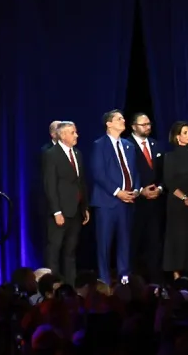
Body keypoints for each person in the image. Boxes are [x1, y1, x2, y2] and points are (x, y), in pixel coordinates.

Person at [88, 110, 139, 283]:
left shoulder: (129, 145)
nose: (123, 120)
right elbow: (98, 173)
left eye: (123, 118)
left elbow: (134, 172)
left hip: (127, 202)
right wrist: (118, 192)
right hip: (107, 202)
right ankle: (104, 281)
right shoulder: (99, 145)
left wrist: (136, 190)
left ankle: (124, 279)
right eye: (119, 119)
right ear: (108, 124)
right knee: (104, 243)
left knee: (125, 242)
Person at [38, 120, 87, 284]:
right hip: (60, 212)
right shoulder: (51, 154)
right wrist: (56, 211)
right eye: (73, 133)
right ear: (63, 135)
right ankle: (53, 286)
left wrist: (84, 207)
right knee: (55, 250)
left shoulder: (78, 154)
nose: (76, 135)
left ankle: (71, 287)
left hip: (76, 211)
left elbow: (81, 182)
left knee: (71, 252)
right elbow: (50, 185)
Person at [159, 122, 188, 279]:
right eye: (185, 132)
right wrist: (184, 198)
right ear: (177, 137)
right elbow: (169, 181)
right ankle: (176, 276)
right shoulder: (169, 157)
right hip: (176, 204)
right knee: (176, 237)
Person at [126, 112, 165, 278]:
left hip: (155, 203)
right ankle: (133, 280)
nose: (147, 127)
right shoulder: (126, 145)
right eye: (143, 125)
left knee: (154, 243)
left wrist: (160, 188)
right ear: (134, 127)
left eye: (149, 124)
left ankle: (154, 280)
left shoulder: (156, 145)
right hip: (135, 203)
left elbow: (163, 171)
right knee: (134, 243)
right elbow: (126, 172)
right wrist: (140, 190)